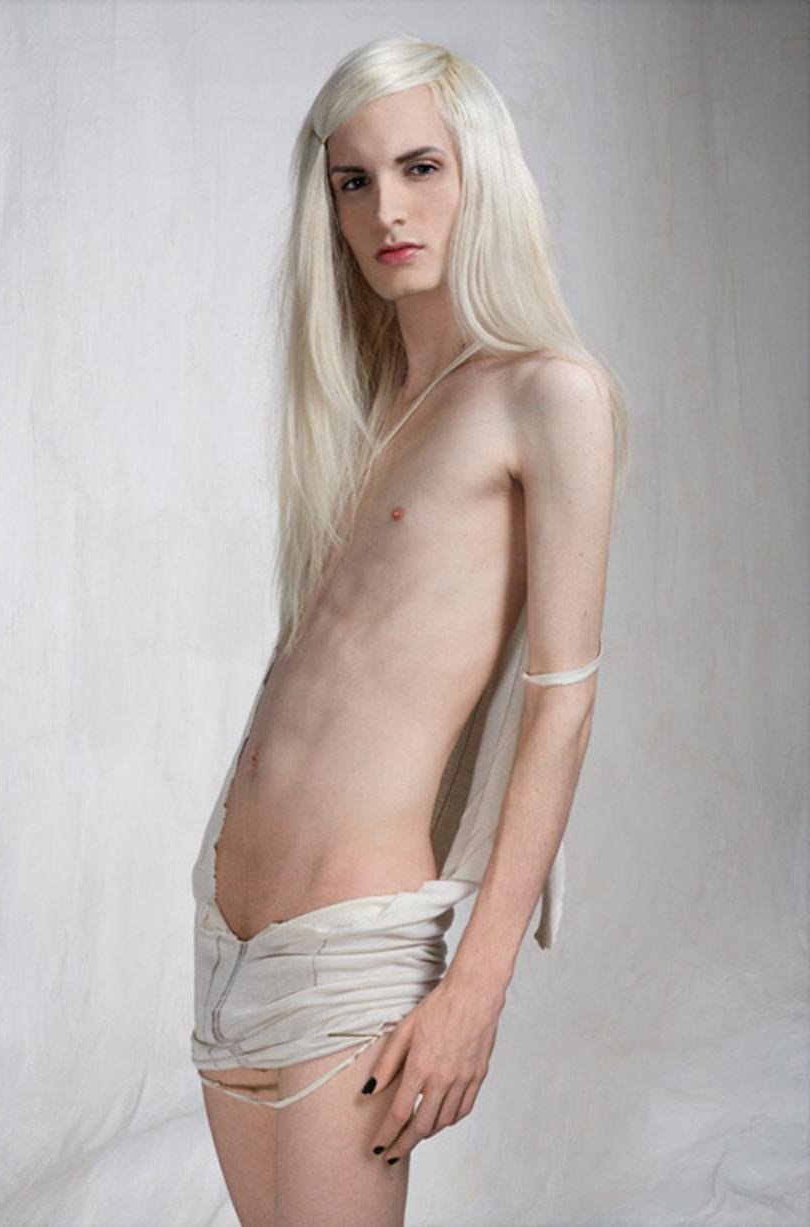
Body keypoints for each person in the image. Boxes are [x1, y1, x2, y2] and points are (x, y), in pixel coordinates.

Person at [190, 33, 628, 1227]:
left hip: (352, 951)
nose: (386, 208)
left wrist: (474, 986)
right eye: (353, 180)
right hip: (224, 942)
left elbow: (562, 703)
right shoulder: (359, 409)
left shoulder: (546, 394)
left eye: (420, 167)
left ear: (478, 169)